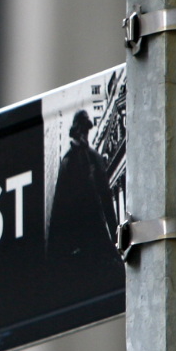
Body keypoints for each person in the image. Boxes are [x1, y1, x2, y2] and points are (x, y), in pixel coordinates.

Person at [47, 110, 121, 287]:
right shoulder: (68, 162)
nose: (84, 135)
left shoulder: (95, 158)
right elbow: (59, 208)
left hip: (98, 230)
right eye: (82, 131)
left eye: (86, 131)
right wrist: (57, 251)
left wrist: (116, 236)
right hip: (79, 235)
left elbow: (106, 200)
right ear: (76, 131)